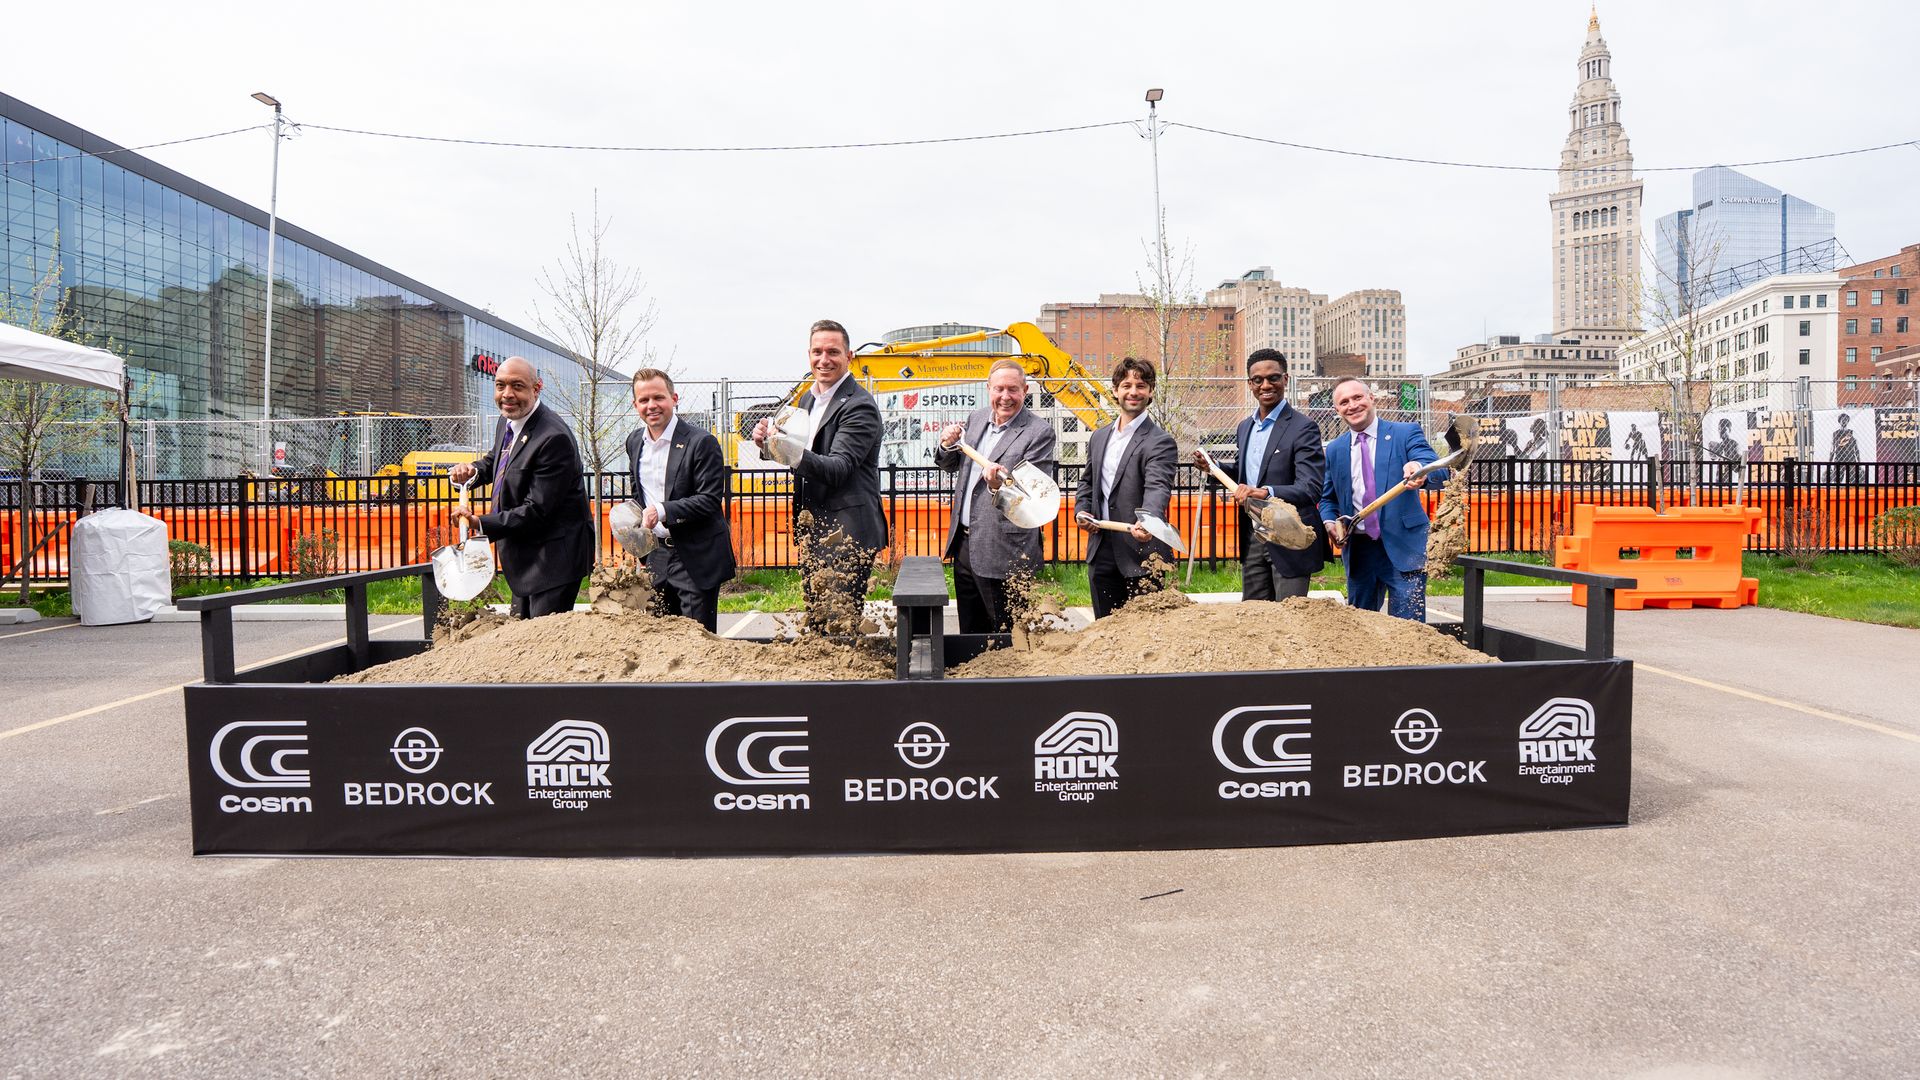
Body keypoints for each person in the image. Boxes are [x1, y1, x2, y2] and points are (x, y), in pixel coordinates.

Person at [751, 319, 888, 614]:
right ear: (809, 355)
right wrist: (767, 444)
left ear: (848, 356)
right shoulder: (808, 399)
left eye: (833, 352)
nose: (824, 360)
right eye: (817, 352)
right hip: (816, 527)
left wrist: (788, 450)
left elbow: (838, 467)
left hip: (846, 533)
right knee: (819, 619)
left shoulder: (859, 406)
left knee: (838, 623)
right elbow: (798, 449)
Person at [449, 356, 595, 619]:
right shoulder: (508, 421)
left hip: (552, 561)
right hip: (525, 557)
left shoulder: (553, 438)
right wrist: (472, 472)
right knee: (522, 639)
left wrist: (479, 523)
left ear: (536, 388)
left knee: (543, 644)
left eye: (517, 386)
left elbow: (537, 510)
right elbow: (497, 461)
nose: (507, 394)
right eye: (500, 385)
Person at [934, 359, 1057, 633]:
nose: (1005, 397)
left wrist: (995, 486)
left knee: (1006, 633)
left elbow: (1032, 496)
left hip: (1006, 550)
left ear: (1025, 390)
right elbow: (950, 465)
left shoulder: (1039, 433)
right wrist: (946, 445)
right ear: (988, 389)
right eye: (999, 389)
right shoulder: (976, 419)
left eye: (1013, 389)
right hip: (965, 545)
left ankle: (1011, 677)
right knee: (970, 629)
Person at [1204, 349, 1328, 601]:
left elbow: (1310, 487)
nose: (1265, 385)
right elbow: (1244, 472)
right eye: (1257, 380)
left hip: (1288, 533)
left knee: (1289, 617)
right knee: (1255, 617)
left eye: (1273, 378)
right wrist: (1213, 466)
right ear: (1250, 384)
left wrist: (1266, 492)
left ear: (1286, 379)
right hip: (1253, 532)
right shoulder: (1245, 427)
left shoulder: (1303, 427)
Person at [1318, 377, 1442, 622]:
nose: (1352, 405)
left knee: (1409, 630)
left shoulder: (1404, 433)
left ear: (1371, 399)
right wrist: (1329, 522)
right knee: (1362, 631)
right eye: (1344, 402)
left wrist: (1419, 468)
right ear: (1337, 410)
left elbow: (1438, 469)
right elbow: (1328, 499)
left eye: (1358, 398)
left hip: (1403, 547)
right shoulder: (1335, 449)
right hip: (1360, 551)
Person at [623, 368, 736, 632]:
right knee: (661, 641)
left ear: (674, 398)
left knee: (698, 643)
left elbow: (709, 500)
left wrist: (662, 511)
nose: (652, 406)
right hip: (657, 556)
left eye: (658, 398)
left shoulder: (701, 442)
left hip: (694, 557)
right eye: (644, 400)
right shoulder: (634, 442)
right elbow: (638, 493)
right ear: (635, 405)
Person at [1073, 357, 1178, 618]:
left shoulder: (1160, 442)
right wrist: (1082, 510)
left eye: (1141, 385)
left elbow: (1158, 487)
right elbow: (1088, 482)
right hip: (1102, 550)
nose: (1133, 392)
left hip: (1142, 553)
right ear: (1115, 390)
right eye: (1127, 385)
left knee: (1144, 639)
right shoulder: (1099, 437)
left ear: (1151, 391)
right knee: (1104, 633)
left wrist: (1150, 520)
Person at [1831, 411, 1863, 483]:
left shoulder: (1852, 432)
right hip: (1839, 458)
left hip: (1850, 457)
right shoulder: (1835, 433)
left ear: (1848, 421)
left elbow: (1856, 449)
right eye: (1842, 419)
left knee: (1852, 480)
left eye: (1846, 419)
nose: (1844, 421)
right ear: (1839, 421)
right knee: (1837, 480)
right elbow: (1832, 449)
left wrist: (1859, 462)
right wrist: (1830, 462)